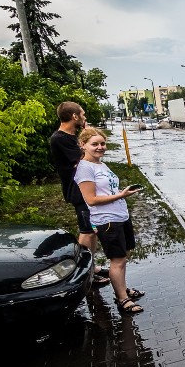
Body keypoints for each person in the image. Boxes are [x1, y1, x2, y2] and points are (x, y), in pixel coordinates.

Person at [74, 127, 145, 314]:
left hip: (120, 215)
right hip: (107, 220)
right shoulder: (84, 168)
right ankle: (122, 299)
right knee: (117, 260)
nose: (100, 147)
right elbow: (91, 200)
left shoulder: (101, 164)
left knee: (122, 258)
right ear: (83, 145)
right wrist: (121, 195)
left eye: (102, 143)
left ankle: (122, 288)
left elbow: (107, 190)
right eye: (95, 144)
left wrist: (121, 194)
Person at [50, 102, 110, 287]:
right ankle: (84, 272)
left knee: (92, 231)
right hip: (79, 192)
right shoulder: (60, 138)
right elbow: (85, 160)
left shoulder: (71, 137)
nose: (84, 117)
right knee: (87, 232)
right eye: (82, 114)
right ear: (75, 116)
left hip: (86, 189)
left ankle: (92, 267)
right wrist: (90, 134)